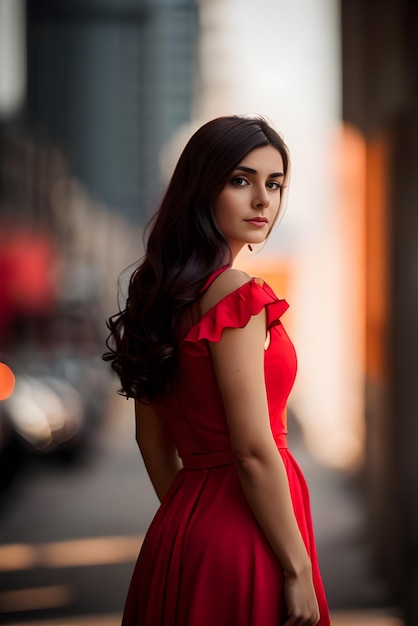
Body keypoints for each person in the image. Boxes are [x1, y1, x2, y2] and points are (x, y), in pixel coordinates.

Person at [104, 115, 330, 626]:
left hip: (180, 532)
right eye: (240, 180)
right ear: (201, 187)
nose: (262, 200)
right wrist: (296, 569)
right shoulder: (236, 294)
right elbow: (252, 449)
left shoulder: (156, 298)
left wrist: (193, 520)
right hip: (250, 530)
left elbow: (151, 442)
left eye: (274, 184)